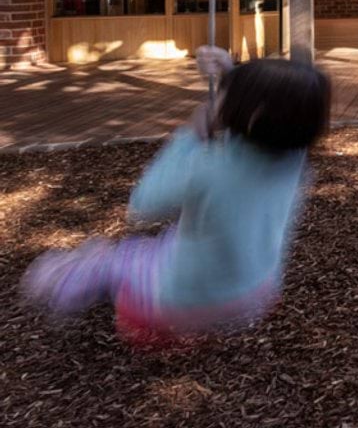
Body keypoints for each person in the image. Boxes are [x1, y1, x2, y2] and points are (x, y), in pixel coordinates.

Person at [21, 47, 330, 347]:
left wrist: (189, 138)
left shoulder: (208, 166)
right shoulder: (294, 155)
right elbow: (275, 108)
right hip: (254, 291)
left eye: (225, 93)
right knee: (176, 240)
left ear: (252, 114)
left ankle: (69, 286)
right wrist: (230, 74)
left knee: (114, 257)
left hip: (182, 298)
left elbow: (142, 204)